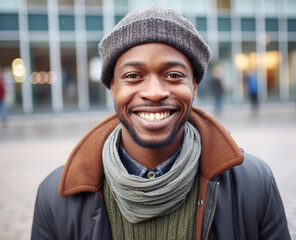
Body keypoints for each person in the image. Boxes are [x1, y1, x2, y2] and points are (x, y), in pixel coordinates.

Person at [31, 6, 291, 240]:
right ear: (112, 87)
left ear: (194, 85)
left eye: (173, 75)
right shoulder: (55, 196)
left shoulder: (255, 185)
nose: (154, 92)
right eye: (133, 76)